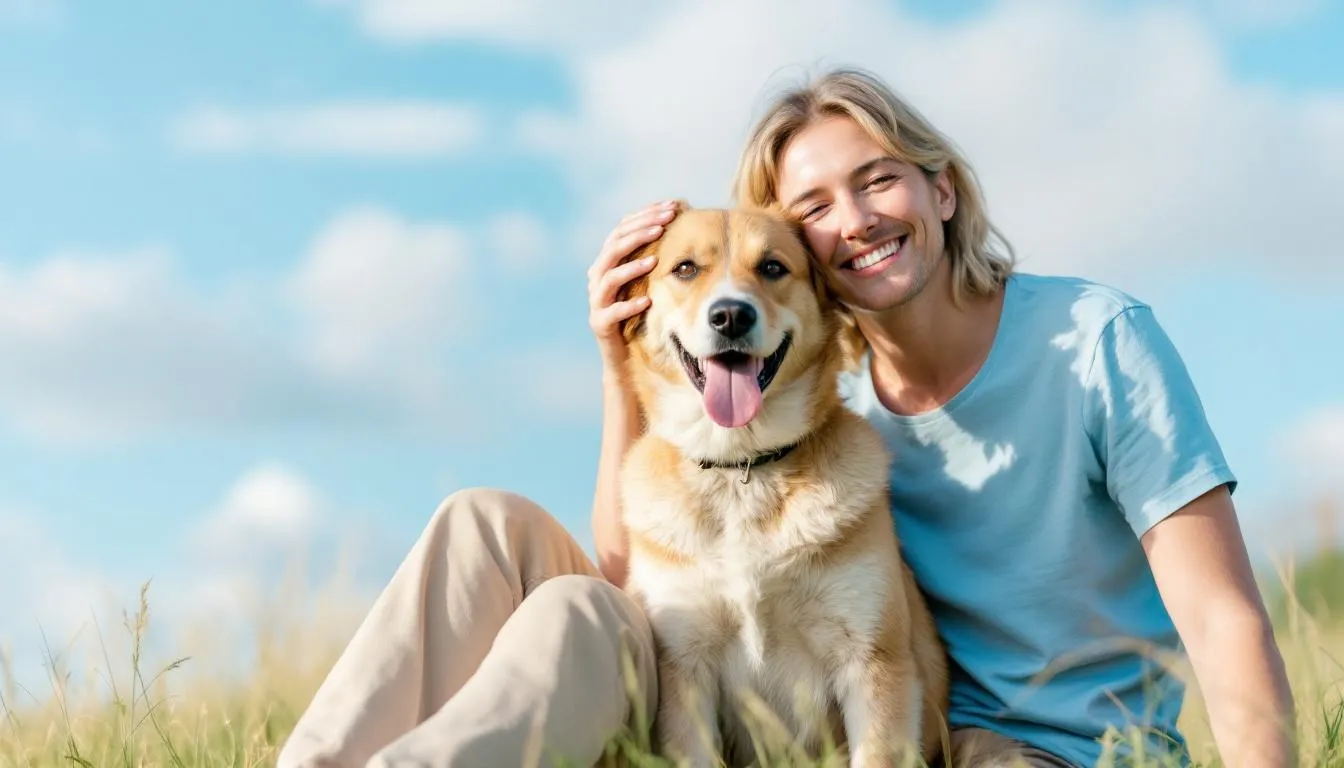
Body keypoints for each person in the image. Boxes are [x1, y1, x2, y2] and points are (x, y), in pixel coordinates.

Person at [277, 67, 1295, 768]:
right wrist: (615, 357)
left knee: (585, 615)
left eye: (879, 178)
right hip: (751, 670)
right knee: (488, 526)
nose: (853, 222)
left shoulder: (1094, 340)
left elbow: (1220, 615)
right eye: (813, 208)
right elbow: (641, 583)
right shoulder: (808, 406)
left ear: (941, 191)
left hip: (1015, 748)